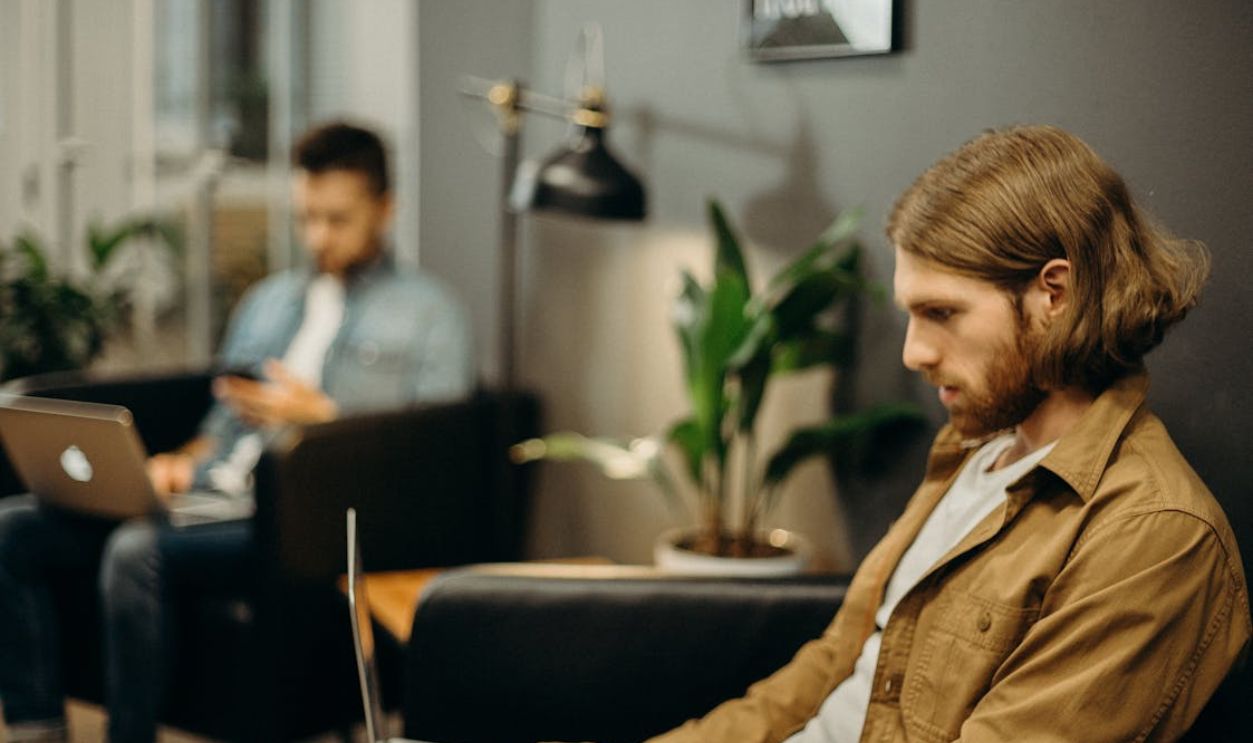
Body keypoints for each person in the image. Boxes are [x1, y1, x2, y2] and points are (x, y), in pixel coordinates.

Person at [652, 125, 1250, 742]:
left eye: (941, 313)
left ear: (1057, 295)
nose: (913, 353)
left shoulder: (1154, 535)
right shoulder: (976, 453)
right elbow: (829, 671)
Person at [0, 121, 473, 743]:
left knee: (135, 551)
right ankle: (38, 727)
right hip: (209, 497)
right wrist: (175, 463)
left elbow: (434, 450)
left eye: (338, 220)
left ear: (386, 209)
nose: (317, 237)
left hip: (300, 521)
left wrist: (321, 419)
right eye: (306, 217)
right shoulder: (269, 302)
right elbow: (219, 424)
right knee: (14, 529)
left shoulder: (432, 314)